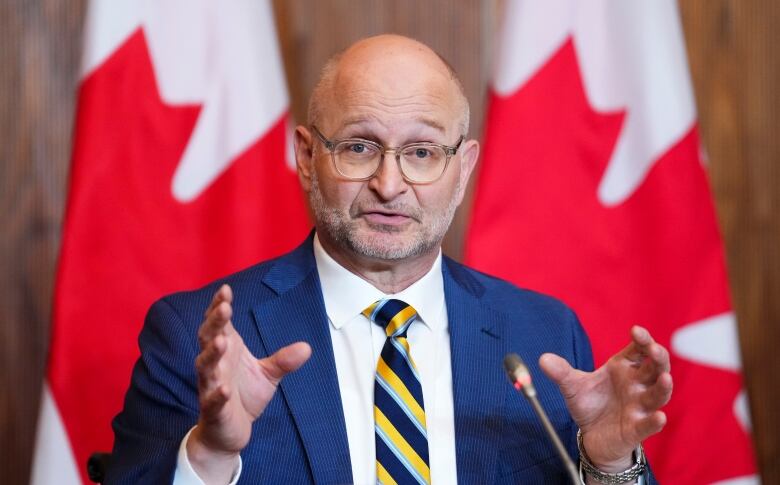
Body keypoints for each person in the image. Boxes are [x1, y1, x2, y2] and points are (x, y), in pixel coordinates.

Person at [107, 34, 672, 484]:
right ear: (307, 156)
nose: (388, 183)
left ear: (463, 168)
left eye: (423, 153)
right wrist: (208, 455)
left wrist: (609, 466)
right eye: (359, 147)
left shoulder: (544, 332)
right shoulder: (193, 334)